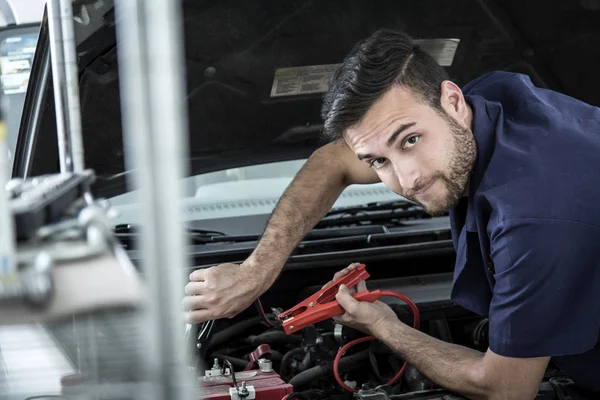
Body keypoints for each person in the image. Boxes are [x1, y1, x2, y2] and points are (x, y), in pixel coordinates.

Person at [183, 29, 600, 398]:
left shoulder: (534, 220)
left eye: (411, 139)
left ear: (452, 101)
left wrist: (385, 326)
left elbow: (505, 388)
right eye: (379, 161)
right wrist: (256, 272)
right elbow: (335, 162)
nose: (408, 179)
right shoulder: (489, 103)